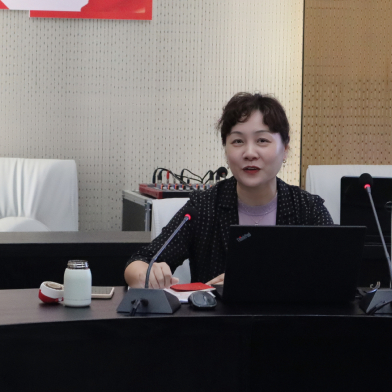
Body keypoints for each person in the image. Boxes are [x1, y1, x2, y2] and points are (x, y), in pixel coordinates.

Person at [124, 92, 333, 289]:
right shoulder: (203, 208)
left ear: (285, 149)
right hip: (217, 316)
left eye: (262, 140)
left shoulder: (308, 209)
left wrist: (256, 281)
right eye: (238, 141)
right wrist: (147, 274)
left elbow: (336, 273)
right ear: (226, 150)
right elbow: (138, 262)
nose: (249, 153)